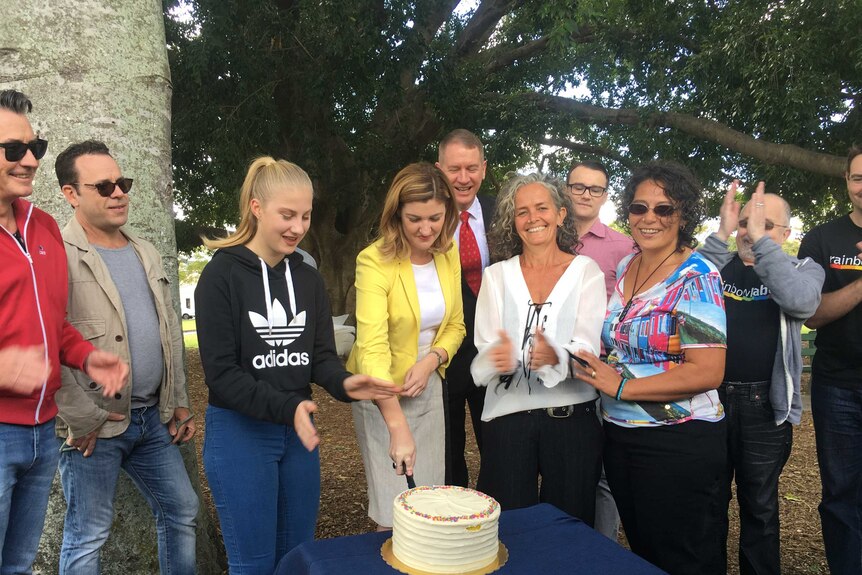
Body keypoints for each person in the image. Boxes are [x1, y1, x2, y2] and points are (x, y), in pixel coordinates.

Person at [195, 157, 399, 573]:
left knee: (297, 560)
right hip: (240, 434)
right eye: (286, 215)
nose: (297, 227)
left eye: (305, 215)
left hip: (296, 436)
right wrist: (288, 407)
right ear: (255, 208)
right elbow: (222, 374)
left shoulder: (307, 278)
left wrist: (344, 383)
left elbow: (320, 357)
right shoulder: (221, 276)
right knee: (253, 565)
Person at [572, 161, 727, 575]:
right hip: (622, 437)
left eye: (664, 209)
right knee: (645, 553)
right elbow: (622, 347)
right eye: (639, 208)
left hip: (678, 440)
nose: (650, 218)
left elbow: (707, 371)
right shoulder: (628, 267)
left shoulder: (696, 277)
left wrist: (621, 387)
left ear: (684, 215)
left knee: (684, 558)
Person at [53, 140, 200, 574]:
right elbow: (48, 341)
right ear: (71, 193)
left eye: (122, 183)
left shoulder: (145, 250)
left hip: (152, 423)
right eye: (103, 186)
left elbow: (169, 330)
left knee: (182, 511)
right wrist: (83, 420)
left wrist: (177, 400)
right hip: (95, 428)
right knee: (88, 535)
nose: (118, 193)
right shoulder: (57, 255)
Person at [0, 89, 128, 574]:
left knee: (18, 565)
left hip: (43, 432)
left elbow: (54, 322)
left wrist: (85, 356)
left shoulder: (45, 226)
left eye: (36, 147)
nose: (30, 160)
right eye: (14, 150)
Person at [700, 181, 823, 575]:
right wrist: (723, 233)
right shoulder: (716, 268)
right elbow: (681, 282)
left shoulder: (804, 270)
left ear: (785, 235)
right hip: (709, 401)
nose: (751, 232)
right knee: (708, 502)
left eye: (765, 224)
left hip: (764, 408)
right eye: (745, 224)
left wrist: (761, 246)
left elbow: (800, 302)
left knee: (760, 507)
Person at [470, 172, 605, 524]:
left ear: (561, 214)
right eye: (522, 212)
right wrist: (495, 359)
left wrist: (557, 356)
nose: (533, 219)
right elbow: (485, 346)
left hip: (572, 420)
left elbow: (587, 345)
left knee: (569, 529)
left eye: (542, 208)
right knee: (508, 530)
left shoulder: (586, 271)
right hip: (507, 422)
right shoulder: (496, 276)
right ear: (512, 222)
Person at [348, 162, 465, 529]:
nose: (426, 229)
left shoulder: (448, 255)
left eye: (435, 218)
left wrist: (432, 360)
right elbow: (372, 348)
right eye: (415, 218)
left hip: (427, 385)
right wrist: (396, 423)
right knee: (393, 510)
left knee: (428, 502)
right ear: (396, 214)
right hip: (380, 390)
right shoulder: (373, 261)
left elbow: (456, 326)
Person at [798, 145, 862, 574]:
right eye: (859, 178)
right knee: (841, 494)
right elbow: (812, 313)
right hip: (839, 385)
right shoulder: (822, 238)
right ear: (846, 181)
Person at [566, 159, 635, 540]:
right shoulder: (548, 237)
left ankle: (601, 548)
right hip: (554, 366)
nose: (586, 195)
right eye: (579, 187)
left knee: (603, 474)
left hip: (603, 368)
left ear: (605, 196)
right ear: (566, 190)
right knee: (569, 466)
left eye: (595, 189)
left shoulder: (624, 246)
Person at [435, 129, 495, 487]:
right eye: (454, 168)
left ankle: (496, 526)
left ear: (483, 169)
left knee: (500, 449)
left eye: (471, 168)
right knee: (447, 454)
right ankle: (454, 529)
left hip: (494, 354)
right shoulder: (424, 218)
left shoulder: (502, 210)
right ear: (439, 169)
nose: (463, 177)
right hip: (443, 355)